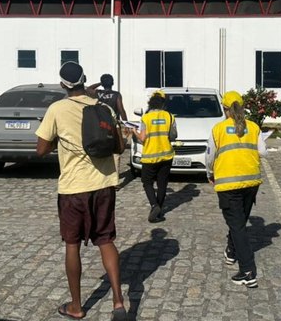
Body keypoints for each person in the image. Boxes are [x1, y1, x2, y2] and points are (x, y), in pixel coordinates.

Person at [35, 61, 127, 321]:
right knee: (106, 240)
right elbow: (119, 147)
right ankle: (118, 302)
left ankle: (76, 306)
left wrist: (60, 140)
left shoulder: (57, 109)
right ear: (85, 80)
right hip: (104, 184)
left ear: (63, 84)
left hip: (74, 188)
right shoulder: (104, 108)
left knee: (72, 244)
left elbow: (40, 150)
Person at [205, 91, 266, 288]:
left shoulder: (219, 129)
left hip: (228, 184)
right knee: (239, 223)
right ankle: (231, 252)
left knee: (238, 226)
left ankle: (248, 271)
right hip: (251, 183)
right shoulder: (254, 127)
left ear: (225, 109)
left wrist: (209, 173)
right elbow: (263, 152)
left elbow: (209, 156)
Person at [132, 90, 177, 223]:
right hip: (166, 155)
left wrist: (134, 131)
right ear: (163, 102)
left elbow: (142, 138)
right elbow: (173, 136)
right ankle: (159, 210)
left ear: (151, 102)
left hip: (150, 156)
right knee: (162, 183)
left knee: (147, 182)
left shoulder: (146, 117)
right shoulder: (169, 116)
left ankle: (154, 205)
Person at [88, 74, 128, 175]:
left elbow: (88, 88)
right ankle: (115, 178)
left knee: (101, 147)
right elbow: (121, 110)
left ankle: (101, 173)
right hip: (113, 125)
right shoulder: (116, 95)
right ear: (113, 83)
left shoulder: (97, 93)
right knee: (115, 150)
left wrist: (101, 83)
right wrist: (126, 124)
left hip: (99, 124)